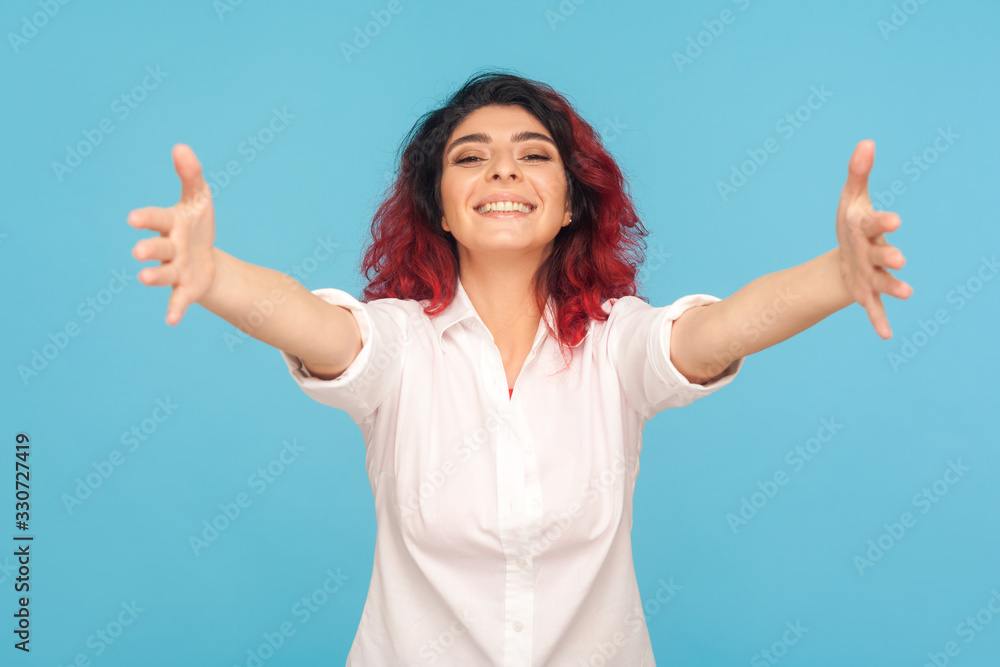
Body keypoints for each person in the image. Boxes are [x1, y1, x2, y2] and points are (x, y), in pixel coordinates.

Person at [126, 71, 911, 666]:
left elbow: (713, 335)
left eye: (533, 155)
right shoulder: (398, 347)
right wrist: (217, 274)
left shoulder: (615, 344)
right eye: (471, 158)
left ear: (571, 203)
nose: (503, 171)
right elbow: (315, 326)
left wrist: (835, 278)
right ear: (439, 204)